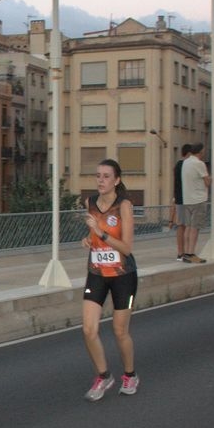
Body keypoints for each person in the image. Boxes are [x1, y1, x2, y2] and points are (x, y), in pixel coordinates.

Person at [81, 159, 140, 401]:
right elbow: (92, 234)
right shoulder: (90, 202)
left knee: (119, 331)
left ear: (116, 180)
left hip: (123, 277)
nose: (101, 181)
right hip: (96, 273)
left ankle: (130, 374)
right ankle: (103, 376)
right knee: (88, 329)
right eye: (98, 176)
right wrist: (88, 239)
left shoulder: (124, 205)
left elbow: (126, 248)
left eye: (106, 176)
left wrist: (100, 232)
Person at [180, 142, 210, 263]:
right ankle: (191, 253)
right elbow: (207, 182)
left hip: (187, 199)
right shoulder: (199, 164)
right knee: (195, 228)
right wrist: (210, 179)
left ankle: (186, 253)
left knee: (188, 227)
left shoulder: (185, 162)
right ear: (200, 152)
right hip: (198, 199)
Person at [170, 144, 192, 261]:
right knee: (186, 227)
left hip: (179, 199)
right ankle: (186, 252)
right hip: (187, 200)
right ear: (188, 154)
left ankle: (180, 252)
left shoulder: (177, 165)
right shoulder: (186, 165)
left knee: (180, 226)